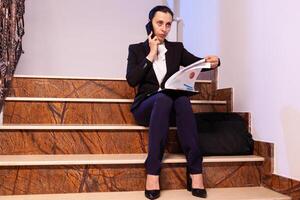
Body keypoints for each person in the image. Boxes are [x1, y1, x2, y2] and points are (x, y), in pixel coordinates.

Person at [126, 5, 220, 199]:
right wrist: (151, 54)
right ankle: (153, 171)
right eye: (160, 23)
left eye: (168, 24)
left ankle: (195, 171)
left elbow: (197, 63)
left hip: (170, 109)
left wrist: (214, 61)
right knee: (162, 97)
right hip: (146, 106)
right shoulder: (136, 49)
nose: (164, 28)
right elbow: (132, 80)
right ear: (150, 24)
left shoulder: (176, 48)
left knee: (182, 101)